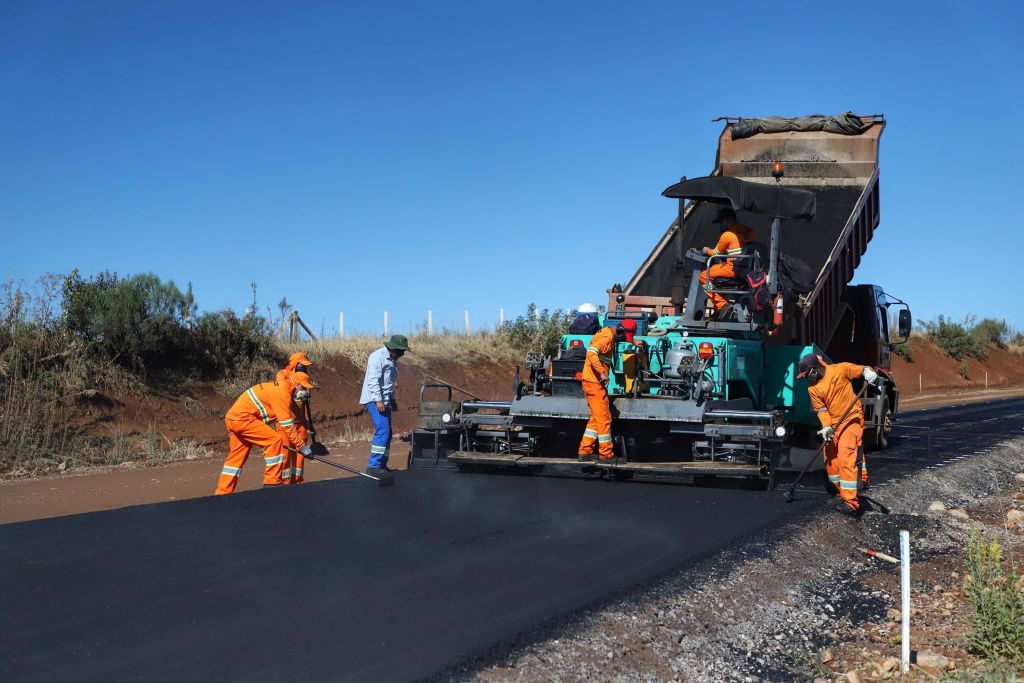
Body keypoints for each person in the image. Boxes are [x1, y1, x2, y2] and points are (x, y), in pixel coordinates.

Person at [796, 354, 880, 515]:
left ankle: (851, 502)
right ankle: (840, 492)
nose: (807, 378)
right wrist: (826, 427)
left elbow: (861, 370)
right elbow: (821, 410)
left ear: (814, 368)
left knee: (845, 455)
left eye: (807, 374)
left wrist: (868, 373)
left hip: (851, 418)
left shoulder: (840, 369)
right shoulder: (812, 388)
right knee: (830, 459)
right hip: (833, 423)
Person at [215, 371, 315, 495]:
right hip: (244, 419)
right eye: (304, 387)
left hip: (233, 418)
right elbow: (288, 427)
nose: (304, 390)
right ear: (297, 384)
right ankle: (271, 484)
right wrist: (303, 447)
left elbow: (291, 408)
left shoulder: (282, 388)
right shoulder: (283, 394)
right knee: (275, 440)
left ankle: (222, 493)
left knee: (235, 460)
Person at [359, 335, 409, 475]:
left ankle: (381, 464)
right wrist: (378, 400)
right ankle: (373, 466)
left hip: (385, 400)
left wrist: (391, 399)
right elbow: (373, 380)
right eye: (401, 351)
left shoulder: (392, 360)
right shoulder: (377, 357)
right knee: (383, 431)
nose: (403, 354)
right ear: (393, 349)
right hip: (374, 400)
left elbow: (388, 383)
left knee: (388, 433)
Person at [698, 207, 757, 320]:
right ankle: (718, 310)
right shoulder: (747, 230)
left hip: (733, 268)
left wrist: (706, 250)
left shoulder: (727, 234)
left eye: (721, 221)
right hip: (747, 269)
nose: (721, 224)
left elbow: (716, 252)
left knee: (704, 276)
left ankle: (721, 305)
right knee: (716, 271)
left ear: (728, 220)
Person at [577, 323, 622, 462]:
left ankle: (585, 451)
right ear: (619, 331)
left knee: (596, 419)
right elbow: (591, 352)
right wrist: (602, 373)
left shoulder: (608, 333)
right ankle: (606, 453)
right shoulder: (607, 337)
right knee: (604, 419)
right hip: (595, 384)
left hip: (592, 383)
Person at [276, 352, 314, 485]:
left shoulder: (303, 376)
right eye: (301, 365)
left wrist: (307, 394)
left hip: (300, 422)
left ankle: (298, 482)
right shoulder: (282, 375)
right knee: (286, 455)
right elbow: (282, 394)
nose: (303, 367)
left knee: (300, 455)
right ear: (294, 364)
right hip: (286, 423)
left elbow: (306, 396)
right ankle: (285, 484)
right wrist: (295, 394)